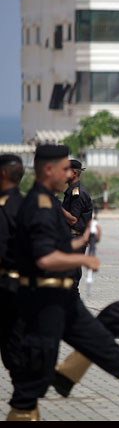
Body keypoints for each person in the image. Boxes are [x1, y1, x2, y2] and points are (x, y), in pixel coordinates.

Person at [8, 147, 119, 421]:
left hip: (63, 299)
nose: (70, 174)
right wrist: (84, 259)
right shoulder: (39, 205)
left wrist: (81, 243)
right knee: (35, 378)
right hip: (44, 300)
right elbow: (43, 257)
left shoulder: (50, 202)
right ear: (49, 170)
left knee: (103, 343)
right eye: (64, 169)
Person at [0, 155, 26, 384]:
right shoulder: (28, 205)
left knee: (12, 346)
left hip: (7, 288)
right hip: (24, 286)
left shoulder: (5, 207)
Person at [61, 159, 93, 295]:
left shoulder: (77, 194)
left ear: (74, 172)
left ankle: (75, 309)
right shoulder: (72, 191)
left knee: (71, 278)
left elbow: (73, 219)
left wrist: (56, 207)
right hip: (71, 237)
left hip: (75, 237)